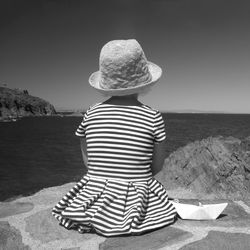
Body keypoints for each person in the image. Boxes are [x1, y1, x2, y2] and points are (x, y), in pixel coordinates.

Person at [52, 39, 177, 236]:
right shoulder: (152, 116)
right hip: (135, 198)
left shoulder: (91, 112)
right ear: (144, 80)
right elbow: (157, 167)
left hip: (93, 193)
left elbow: (88, 163)